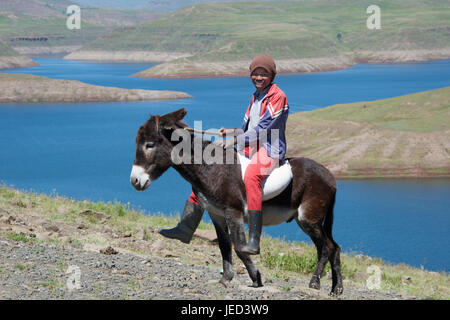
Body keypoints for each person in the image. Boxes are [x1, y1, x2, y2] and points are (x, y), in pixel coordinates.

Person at [159, 54, 289, 255]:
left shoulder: (277, 96)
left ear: (271, 75)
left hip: (269, 150)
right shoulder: (255, 97)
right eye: (255, 73)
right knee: (208, 177)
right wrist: (230, 131)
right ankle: (185, 227)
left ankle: (254, 240)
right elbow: (247, 128)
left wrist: (233, 141)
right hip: (249, 148)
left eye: (263, 74)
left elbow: (263, 129)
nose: (259, 77)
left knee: (252, 177)